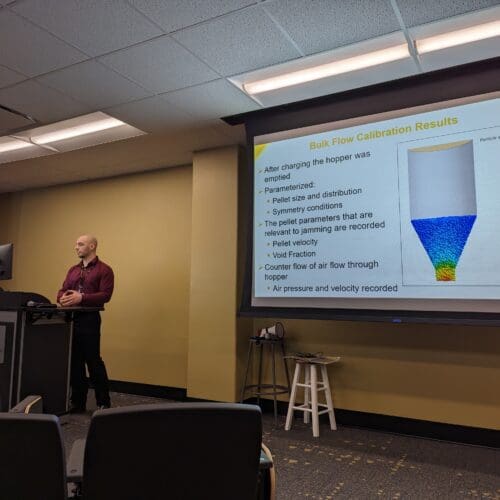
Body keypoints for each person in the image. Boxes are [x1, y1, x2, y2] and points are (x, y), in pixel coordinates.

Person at [57, 234, 114, 413]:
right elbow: (61, 291)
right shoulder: (73, 270)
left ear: (92, 246)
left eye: (80, 244)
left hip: (90, 320)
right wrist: (63, 299)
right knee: (75, 362)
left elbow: (105, 295)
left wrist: (82, 297)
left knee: (93, 361)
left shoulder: (105, 270)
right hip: (72, 319)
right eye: (76, 244)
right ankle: (78, 402)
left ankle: (103, 402)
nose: (76, 247)